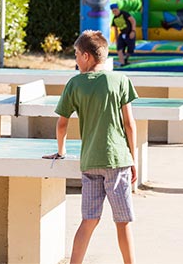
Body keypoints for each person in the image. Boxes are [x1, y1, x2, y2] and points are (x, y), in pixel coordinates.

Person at [44, 30, 137, 264]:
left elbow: (62, 123)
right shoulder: (120, 81)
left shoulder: (74, 84)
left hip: (90, 162)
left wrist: (61, 151)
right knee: (122, 221)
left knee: (89, 220)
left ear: (86, 56)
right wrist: (133, 159)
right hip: (117, 160)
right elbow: (129, 124)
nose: (75, 59)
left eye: (76, 54)